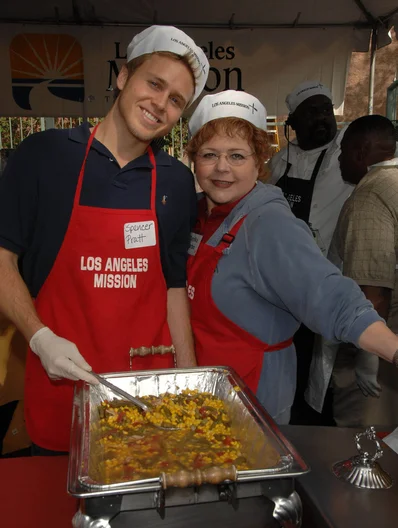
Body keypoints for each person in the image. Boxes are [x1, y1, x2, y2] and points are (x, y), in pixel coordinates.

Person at [0, 25, 209, 454]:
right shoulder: (45, 155)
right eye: (154, 84)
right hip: (63, 381)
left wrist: (187, 380)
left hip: (146, 391)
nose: (160, 105)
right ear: (122, 76)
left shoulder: (175, 180)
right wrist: (39, 337)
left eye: (176, 101)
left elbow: (173, 287)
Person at [185, 90, 398, 424]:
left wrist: (392, 349)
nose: (222, 168)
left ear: (259, 161)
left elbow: (327, 293)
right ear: (193, 159)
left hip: (250, 400)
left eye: (237, 156)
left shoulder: (268, 223)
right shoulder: (199, 213)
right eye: (209, 154)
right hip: (202, 392)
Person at [266, 81, 354, 422]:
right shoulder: (278, 163)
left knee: (326, 359)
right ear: (292, 123)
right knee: (294, 354)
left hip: (329, 273)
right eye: (312, 112)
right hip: (285, 281)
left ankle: (319, 420)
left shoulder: (345, 153)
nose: (323, 119)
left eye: (326, 110)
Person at [328, 115, 398, 427]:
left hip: (381, 347)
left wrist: (368, 359)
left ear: (360, 152)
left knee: (365, 439)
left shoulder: (370, 195)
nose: (340, 159)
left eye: (342, 151)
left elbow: (373, 290)